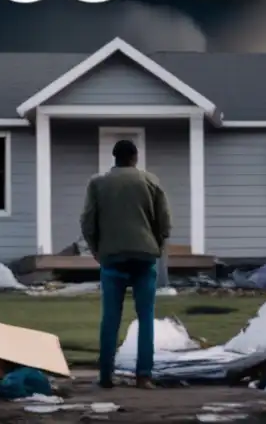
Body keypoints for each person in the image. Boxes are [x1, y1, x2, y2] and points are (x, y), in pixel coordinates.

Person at [80, 139, 172, 389]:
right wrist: (158, 245)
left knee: (110, 318)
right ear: (135, 157)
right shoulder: (150, 181)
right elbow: (163, 221)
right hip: (144, 255)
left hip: (112, 255)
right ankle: (143, 375)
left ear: (114, 158)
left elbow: (88, 221)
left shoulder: (97, 183)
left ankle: (106, 375)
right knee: (145, 317)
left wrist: (96, 249)